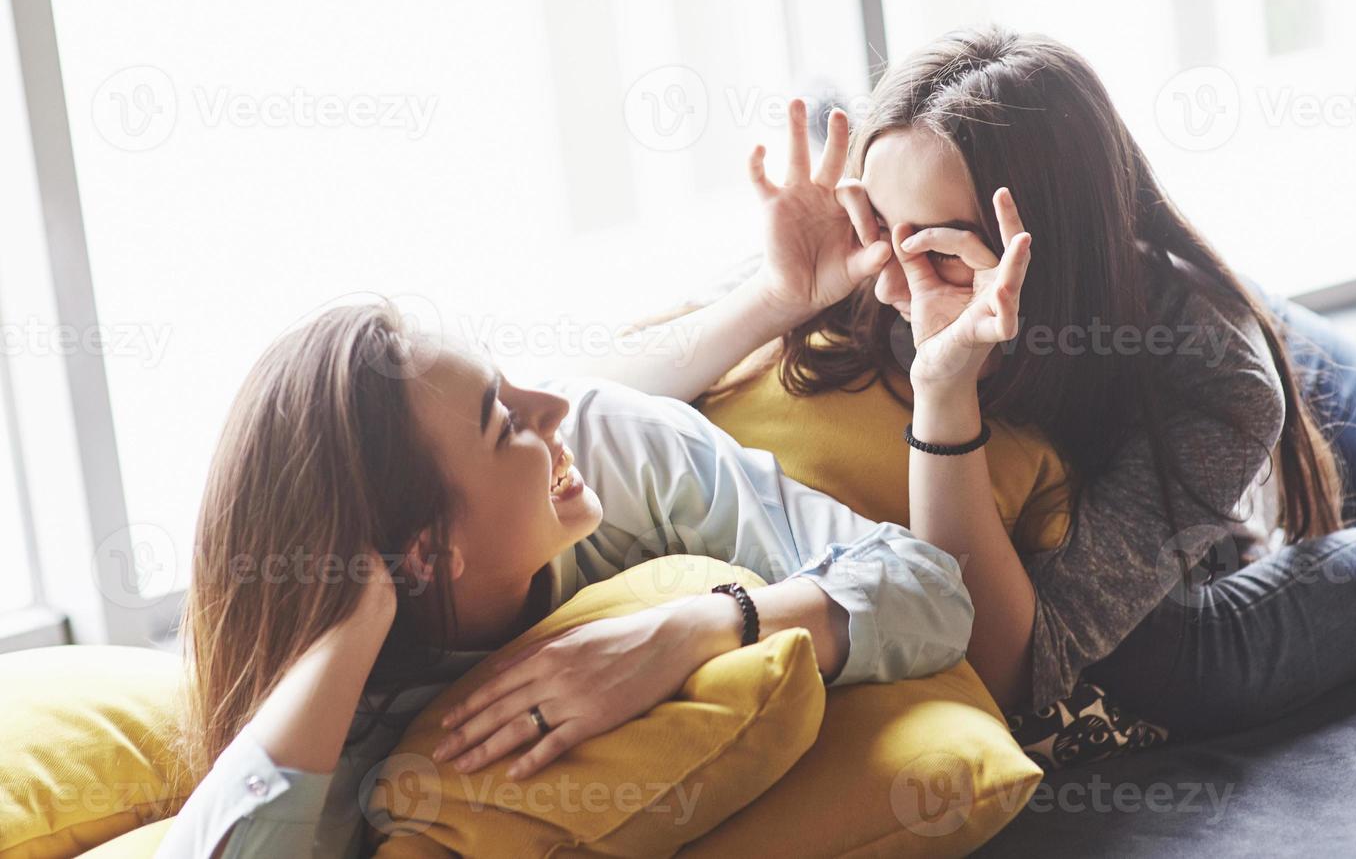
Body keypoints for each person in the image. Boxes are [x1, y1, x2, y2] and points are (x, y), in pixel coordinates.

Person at [584, 24, 1356, 737]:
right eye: (879, 221)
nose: (891, 278)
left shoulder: (1215, 377)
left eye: (935, 248)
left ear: (1043, 256)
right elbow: (593, 410)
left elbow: (1017, 665)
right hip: (1139, 288)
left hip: (1185, 584)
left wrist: (944, 385)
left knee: (1206, 678)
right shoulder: (869, 247)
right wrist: (773, 294)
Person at [157, 302, 976, 857]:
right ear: (426, 557)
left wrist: (696, 626)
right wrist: (356, 621)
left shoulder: (611, 445)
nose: (551, 404)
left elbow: (929, 588)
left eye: (508, 379)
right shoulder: (351, 719)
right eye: (504, 418)